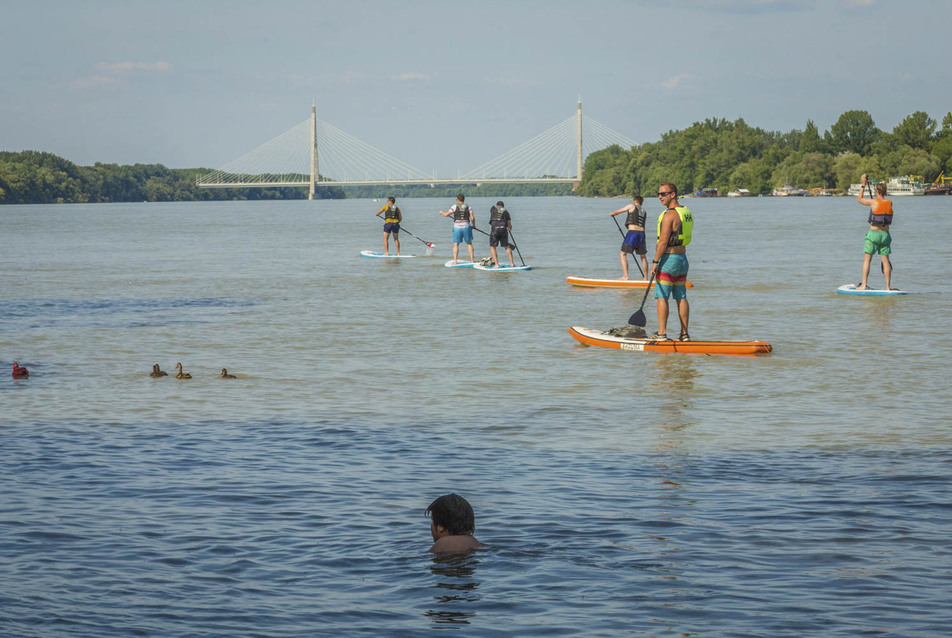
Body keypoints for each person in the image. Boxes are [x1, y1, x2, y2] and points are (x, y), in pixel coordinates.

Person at [650, 183, 693, 341]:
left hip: (668, 260)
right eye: (659, 194)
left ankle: (662, 333)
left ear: (673, 194)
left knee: (662, 297)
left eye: (663, 194)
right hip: (682, 260)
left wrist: (655, 262)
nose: (660, 197)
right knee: (681, 296)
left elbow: (662, 242)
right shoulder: (686, 212)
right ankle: (684, 333)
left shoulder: (669, 215)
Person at [855, 174, 894, 290]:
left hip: (874, 234)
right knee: (885, 261)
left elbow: (859, 199)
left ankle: (863, 285)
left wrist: (863, 184)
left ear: (877, 191)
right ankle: (888, 287)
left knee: (867, 259)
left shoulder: (873, 202)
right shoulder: (890, 202)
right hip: (885, 235)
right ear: (885, 191)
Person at [609, 195, 648, 280]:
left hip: (632, 233)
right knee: (643, 256)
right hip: (642, 234)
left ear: (634, 201)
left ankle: (625, 276)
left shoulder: (631, 206)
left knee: (623, 253)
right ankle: (645, 278)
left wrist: (612, 214)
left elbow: (619, 211)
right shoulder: (644, 211)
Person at [439, 194, 475, 264]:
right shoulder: (468, 207)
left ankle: (455, 261)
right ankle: (472, 261)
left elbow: (446, 215)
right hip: (466, 226)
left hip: (457, 227)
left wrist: (441, 212)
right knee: (469, 243)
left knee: (456, 244)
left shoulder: (454, 207)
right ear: (463, 199)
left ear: (457, 200)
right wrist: (474, 225)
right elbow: (472, 218)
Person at [488, 201, 515, 267]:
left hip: (495, 229)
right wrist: (510, 230)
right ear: (503, 206)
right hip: (504, 229)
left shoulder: (493, 208)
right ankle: (512, 264)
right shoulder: (506, 212)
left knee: (492, 247)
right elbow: (509, 224)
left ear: (497, 205)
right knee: (507, 246)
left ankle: (496, 264)